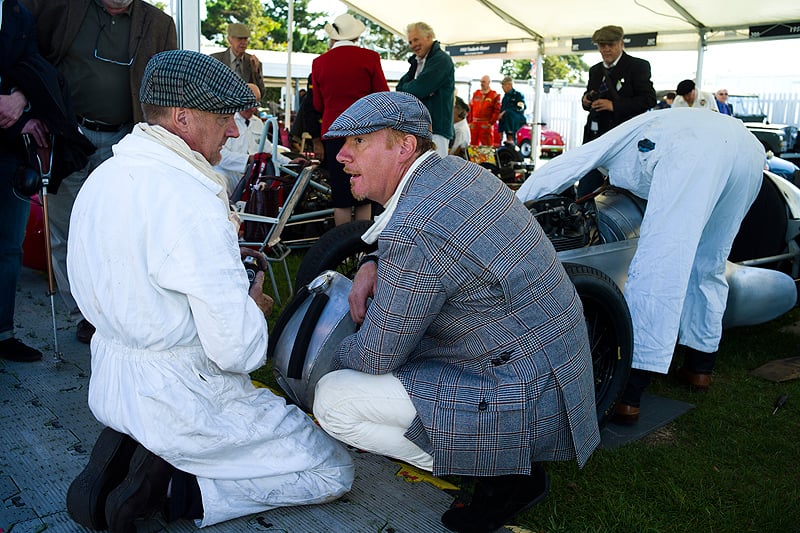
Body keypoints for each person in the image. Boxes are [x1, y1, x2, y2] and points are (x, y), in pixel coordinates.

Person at [65, 50, 354, 532]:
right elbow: (237, 353)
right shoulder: (190, 201)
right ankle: (179, 485)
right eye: (225, 118)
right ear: (182, 117)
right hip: (182, 394)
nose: (235, 131)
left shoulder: (103, 177)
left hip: (113, 377)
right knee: (331, 467)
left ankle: (144, 445)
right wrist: (253, 306)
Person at [311, 91, 600, 533]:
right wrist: (372, 261)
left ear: (403, 146)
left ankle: (502, 472)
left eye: (359, 142)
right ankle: (502, 463)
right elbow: (422, 246)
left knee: (333, 399)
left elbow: (376, 356)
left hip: (519, 384)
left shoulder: (419, 225)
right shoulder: (454, 172)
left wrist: (324, 361)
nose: (342, 156)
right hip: (554, 362)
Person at [516, 108, 765, 424]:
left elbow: (561, 168)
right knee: (709, 263)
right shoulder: (653, 125)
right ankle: (701, 366)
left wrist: (514, 205)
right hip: (747, 152)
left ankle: (629, 393)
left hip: (693, 149)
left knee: (658, 266)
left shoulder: (617, 138)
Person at [22, 0, 177, 344]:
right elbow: (31, 54)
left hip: (126, 139)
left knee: (119, 232)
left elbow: (168, 84)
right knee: (63, 229)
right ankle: (82, 314)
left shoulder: (159, 23)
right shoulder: (62, 9)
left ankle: (114, 308)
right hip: (67, 136)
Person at [0, 0, 47, 363]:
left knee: (9, 245)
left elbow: (33, 65)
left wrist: (21, 98)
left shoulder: (20, 14)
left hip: (9, 147)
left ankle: (4, 334)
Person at [312, 13, 389, 226]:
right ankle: (362, 247)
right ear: (355, 37)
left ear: (334, 37)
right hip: (364, 131)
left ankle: (341, 247)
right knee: (364, 191)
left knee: (341, 196)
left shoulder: (319, 63)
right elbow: (382, 95)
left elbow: (318, 105)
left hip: (334, 131)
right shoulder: (370, 58)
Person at [581, 25, 656, 143]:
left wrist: (614, 106)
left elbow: (649, 99)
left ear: (621, 44)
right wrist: (586, 100)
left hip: (624, 136)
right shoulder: (595, 70)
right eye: (602, 45)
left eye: (611, 45)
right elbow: (589, 98)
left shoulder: (637, 66)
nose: (606, 49)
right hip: (595, 136)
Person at [396, 22, 455, 158]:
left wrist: (414, 88)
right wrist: (414, 89)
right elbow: (401, 89)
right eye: (410, 42)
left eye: (416, 39)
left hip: (436, 129)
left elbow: (418, 89)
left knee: (436, 173)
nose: (413, 45)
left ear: (429, 36)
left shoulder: (441, 60)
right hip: (421, 128)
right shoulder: (418, 62)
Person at [210, 23, 265, 102]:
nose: (243, 42)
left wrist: (256, 72)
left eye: (245, 39)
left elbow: (261, 94)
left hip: (245, 111)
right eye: (239, 39)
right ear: (230, 39)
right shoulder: (216, 60)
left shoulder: (253, 62)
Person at [467, 75, 501, 146]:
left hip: (486, 124)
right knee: (473, 146)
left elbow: (497, 111)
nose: (482, 84)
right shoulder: (476, 93)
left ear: (489, 82)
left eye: (484, 82)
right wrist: (469, 122)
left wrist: (490, 123)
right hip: (474, 124)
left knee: (487, 147)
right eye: (481, 82)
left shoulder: (494, 95)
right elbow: (470, 108)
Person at [498, 76, 527, 145]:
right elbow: (501, 114)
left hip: (517, 119)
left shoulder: (518, 95)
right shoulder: (505, 98)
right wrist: (500, 130)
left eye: (504, 86)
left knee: (508, 113)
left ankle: (511, 138)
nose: (503, 88)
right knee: (504, 116)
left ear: (509, 85)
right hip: (507, 121)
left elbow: (521, 107)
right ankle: (508, 139)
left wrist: (506, 111)